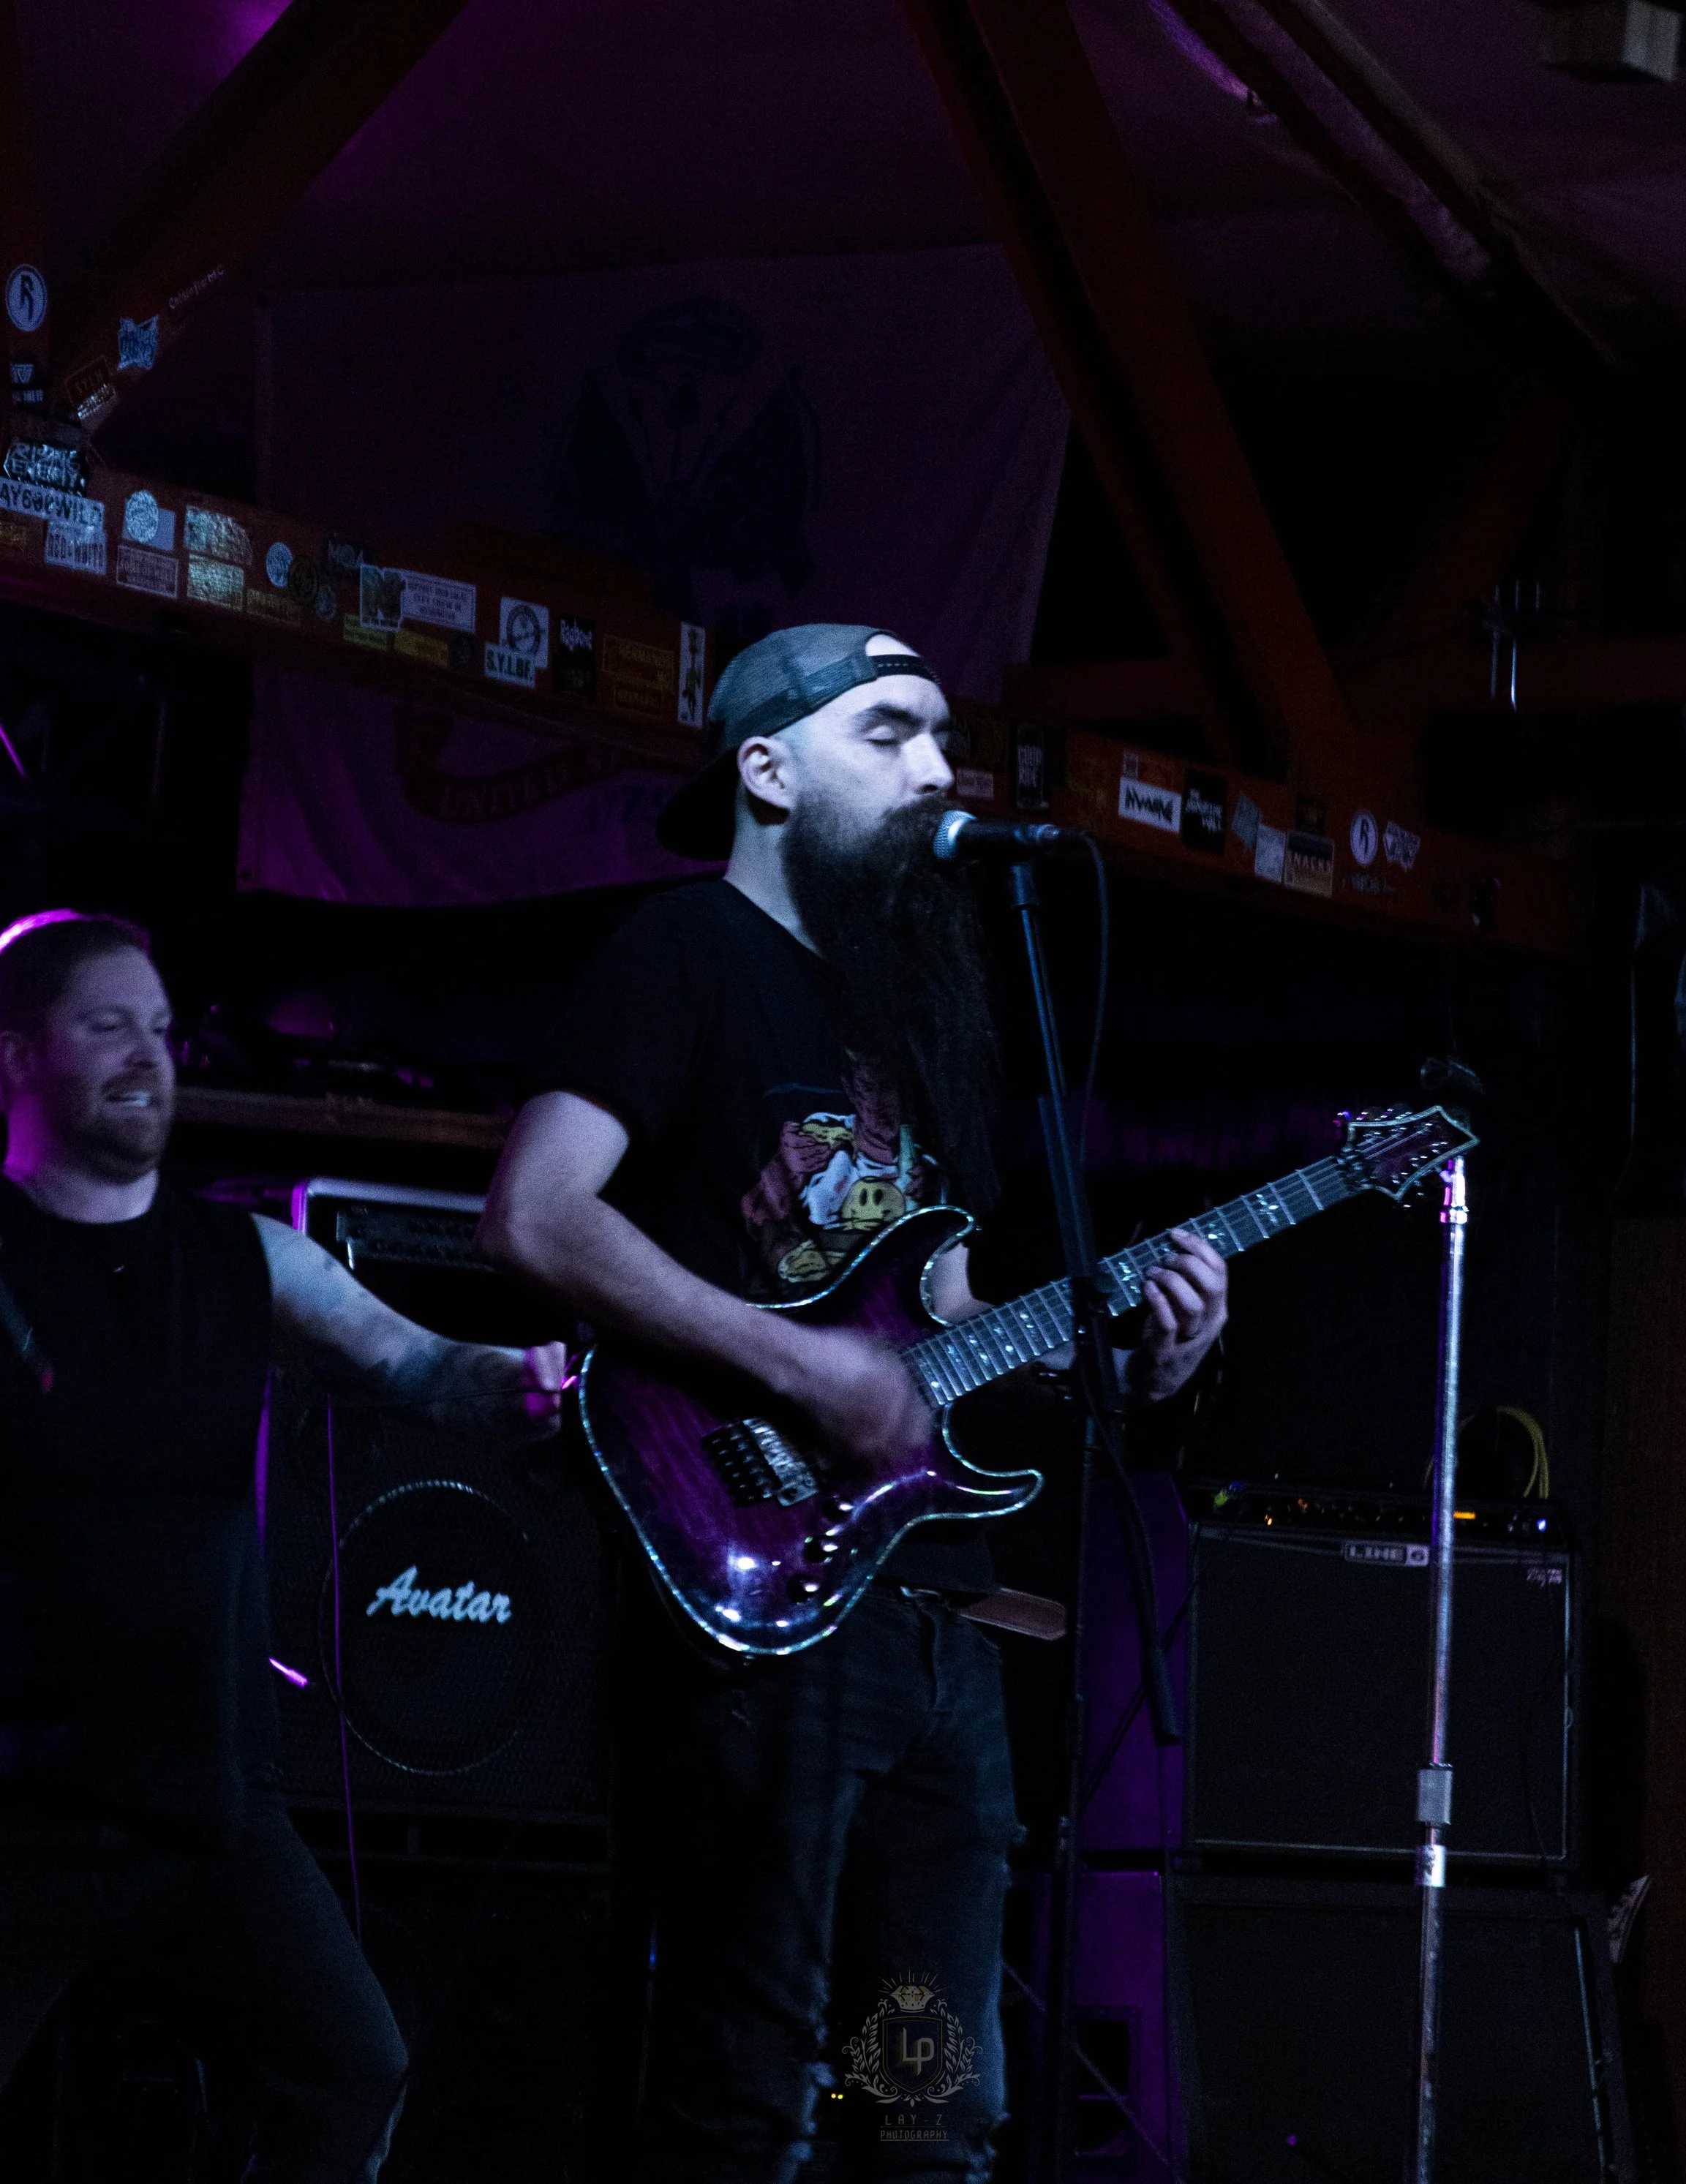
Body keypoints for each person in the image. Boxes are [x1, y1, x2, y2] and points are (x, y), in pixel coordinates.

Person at [480, 624, 1228, 2184]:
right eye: (887, 732)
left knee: (929, 2096)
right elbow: (539, 1213)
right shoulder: (683, 951)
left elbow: (944, 1314)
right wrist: (797, 1359)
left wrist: (1145, 1354)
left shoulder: (923, 1014)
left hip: (933, 1623)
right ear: (765, 768)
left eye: (942, 737)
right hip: (755, 1583)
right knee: (744, 2081)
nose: (936, 771)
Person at [0, 909, 569, 2183]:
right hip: (21, 1811)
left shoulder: (242, 1257)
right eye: (106, 1024)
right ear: (18, 1058)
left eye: (159, 1026)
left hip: (206, 1807)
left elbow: (417, 1364)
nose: (149, 1054)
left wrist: (516, 1383)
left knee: (352, 2066)